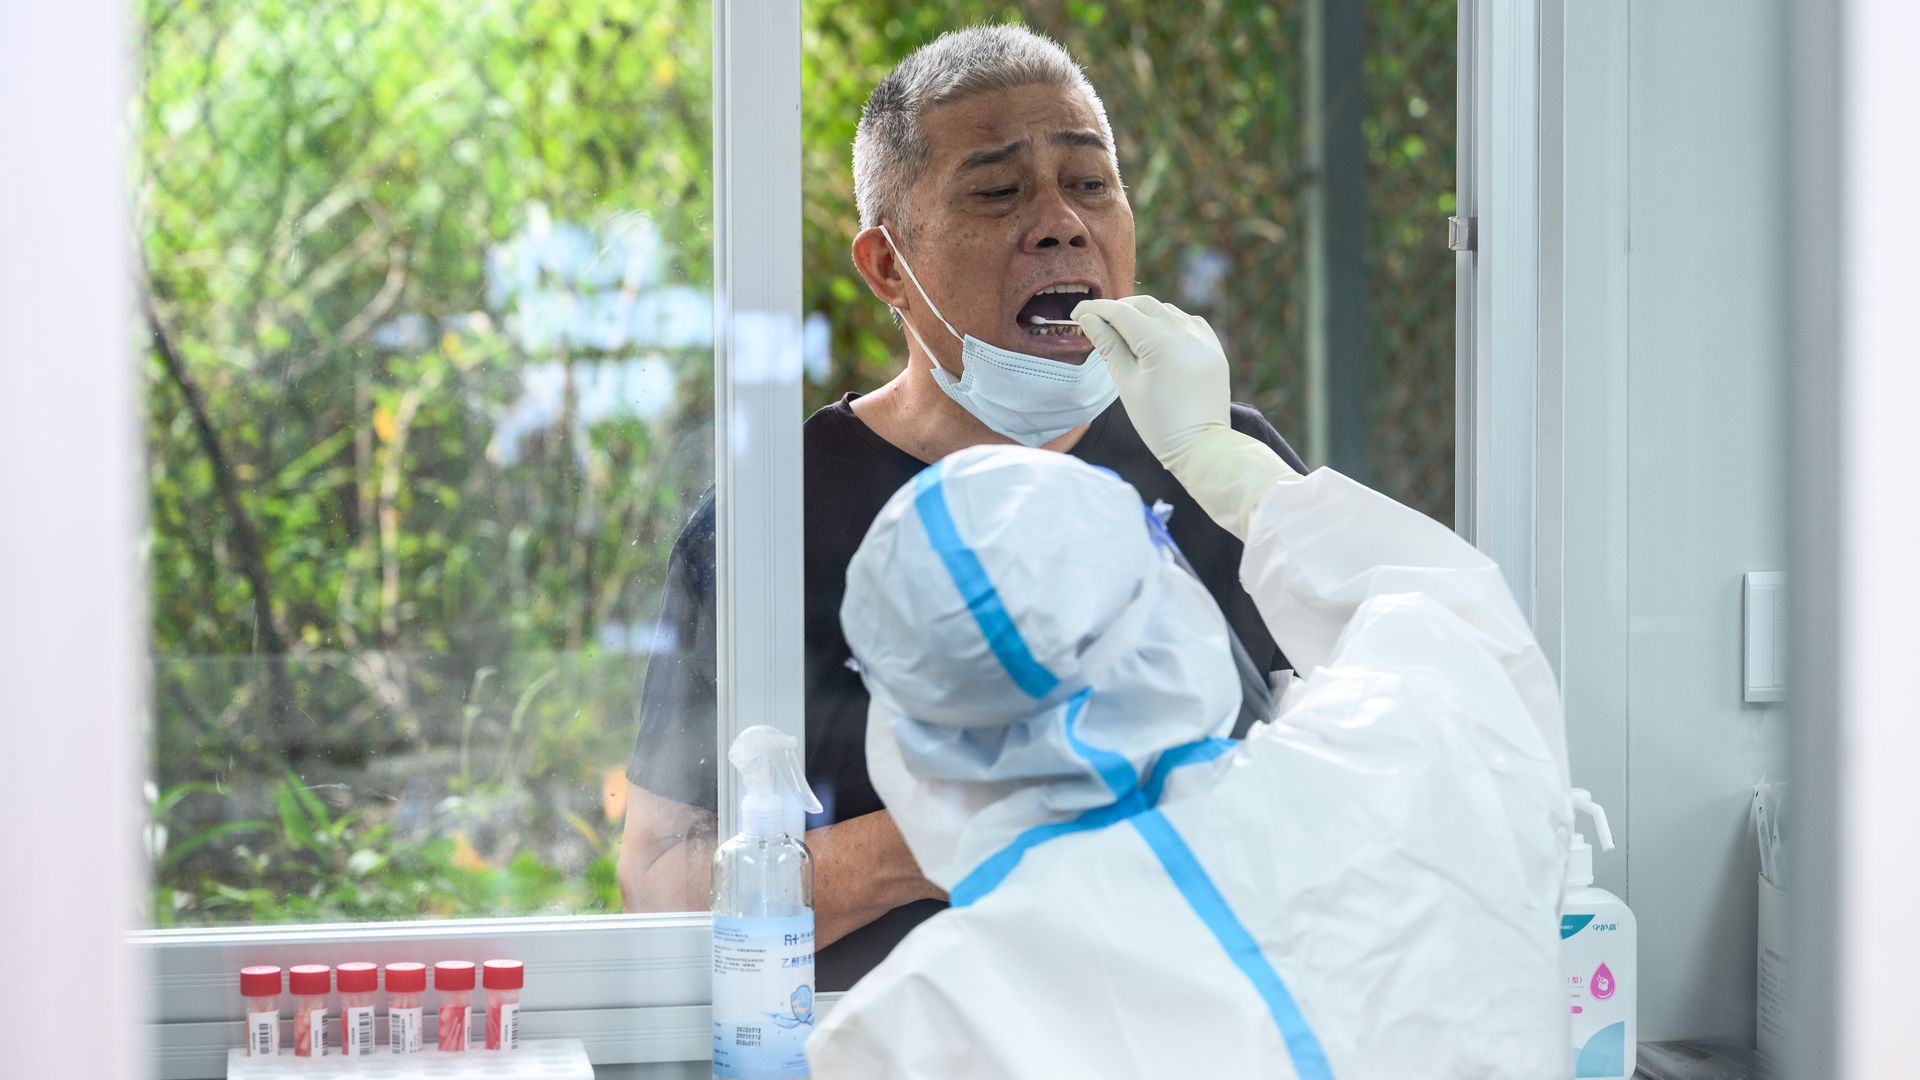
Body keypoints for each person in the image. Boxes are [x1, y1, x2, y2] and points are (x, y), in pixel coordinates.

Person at [617, 26, 1304, 990]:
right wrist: (945, 829)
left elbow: (1379, 772)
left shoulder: (1219, 467)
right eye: (997, 191)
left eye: (1091, 183)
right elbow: (658, 882)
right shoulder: (774, 516)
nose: (1061, 223)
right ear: (887, 267)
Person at [806, 296, 1575, 1079]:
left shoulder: (914, 1026)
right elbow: (1455, 624)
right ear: (1172, 600)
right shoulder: (1403, 776)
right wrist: (1218, 456)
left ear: (902, 726)